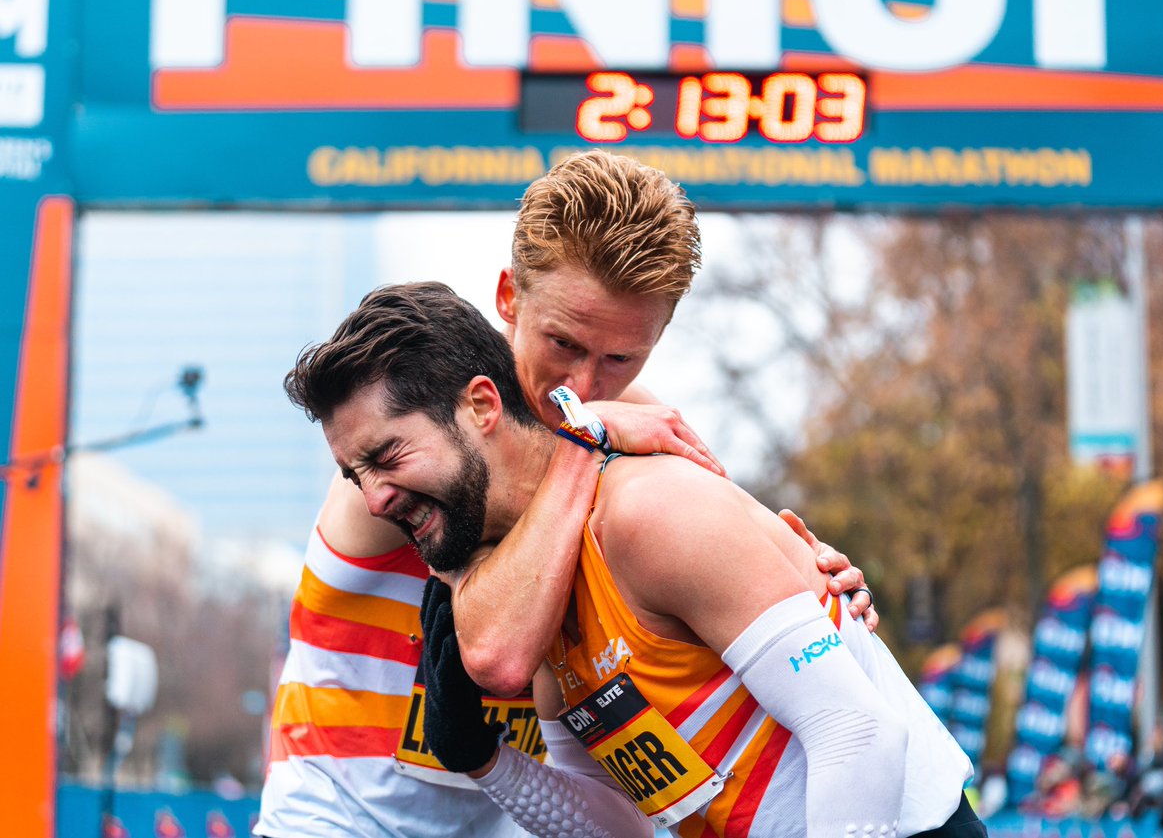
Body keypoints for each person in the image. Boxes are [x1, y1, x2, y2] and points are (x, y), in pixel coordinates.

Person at [257, 151, 875, 837]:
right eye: (562, 341)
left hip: (504, 814)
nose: (582, 382)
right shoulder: (427, 438)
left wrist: (814, 573)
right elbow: (498, 647)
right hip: (337, 818)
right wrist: (588, 439)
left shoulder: (627, 418)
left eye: (620, 358)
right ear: (508, 299)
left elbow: (734, 537)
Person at [285, 281, 982, 838]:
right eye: (355, 474)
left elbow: (858, 730)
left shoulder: (646, 512)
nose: (373, 498)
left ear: (482, 406)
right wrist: (487, 761)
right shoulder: (541, 598)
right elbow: (622, 823)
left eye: (388, 456)